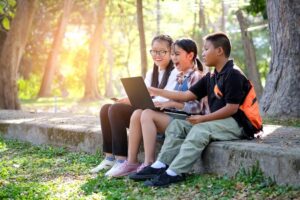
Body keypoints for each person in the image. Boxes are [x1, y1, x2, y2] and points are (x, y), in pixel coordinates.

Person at [139, 32, 253, 187]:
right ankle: (161, 164)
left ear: (219, 51)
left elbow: (232, 109)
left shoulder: (233, 74)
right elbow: (185, 95)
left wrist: (203, 119)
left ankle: (175, 172)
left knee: (201, 129)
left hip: (238, 124)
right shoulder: (211, 76)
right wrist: (154, 90)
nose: (203, 53)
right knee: (177, 125)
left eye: (206, 49)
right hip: (219, 121)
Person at [105, 38, 209, 178]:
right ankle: (131, 162)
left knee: (147, 114)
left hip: (185, 122)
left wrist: (171, 103)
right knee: (137, 113)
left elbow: (197, 108)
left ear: (190, 56)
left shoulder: (196, 76)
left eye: (176, 54)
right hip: (173, 117)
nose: (173, 58)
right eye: (172, 54)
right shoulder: (179, 76)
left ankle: (149, 162)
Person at [90, 34, 178, 175]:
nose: (157, 55)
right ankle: (109, 158)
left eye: (162, 51)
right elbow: (144, 96)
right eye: (154, 51)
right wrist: (127, 98)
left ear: (171, 52)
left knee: (116, 109)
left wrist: (130, 101)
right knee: (105, 108)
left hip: (157, 115)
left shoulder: (175, 73)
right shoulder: (152, 72)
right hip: (145, 111)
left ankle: (122, 160)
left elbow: (162, 101)